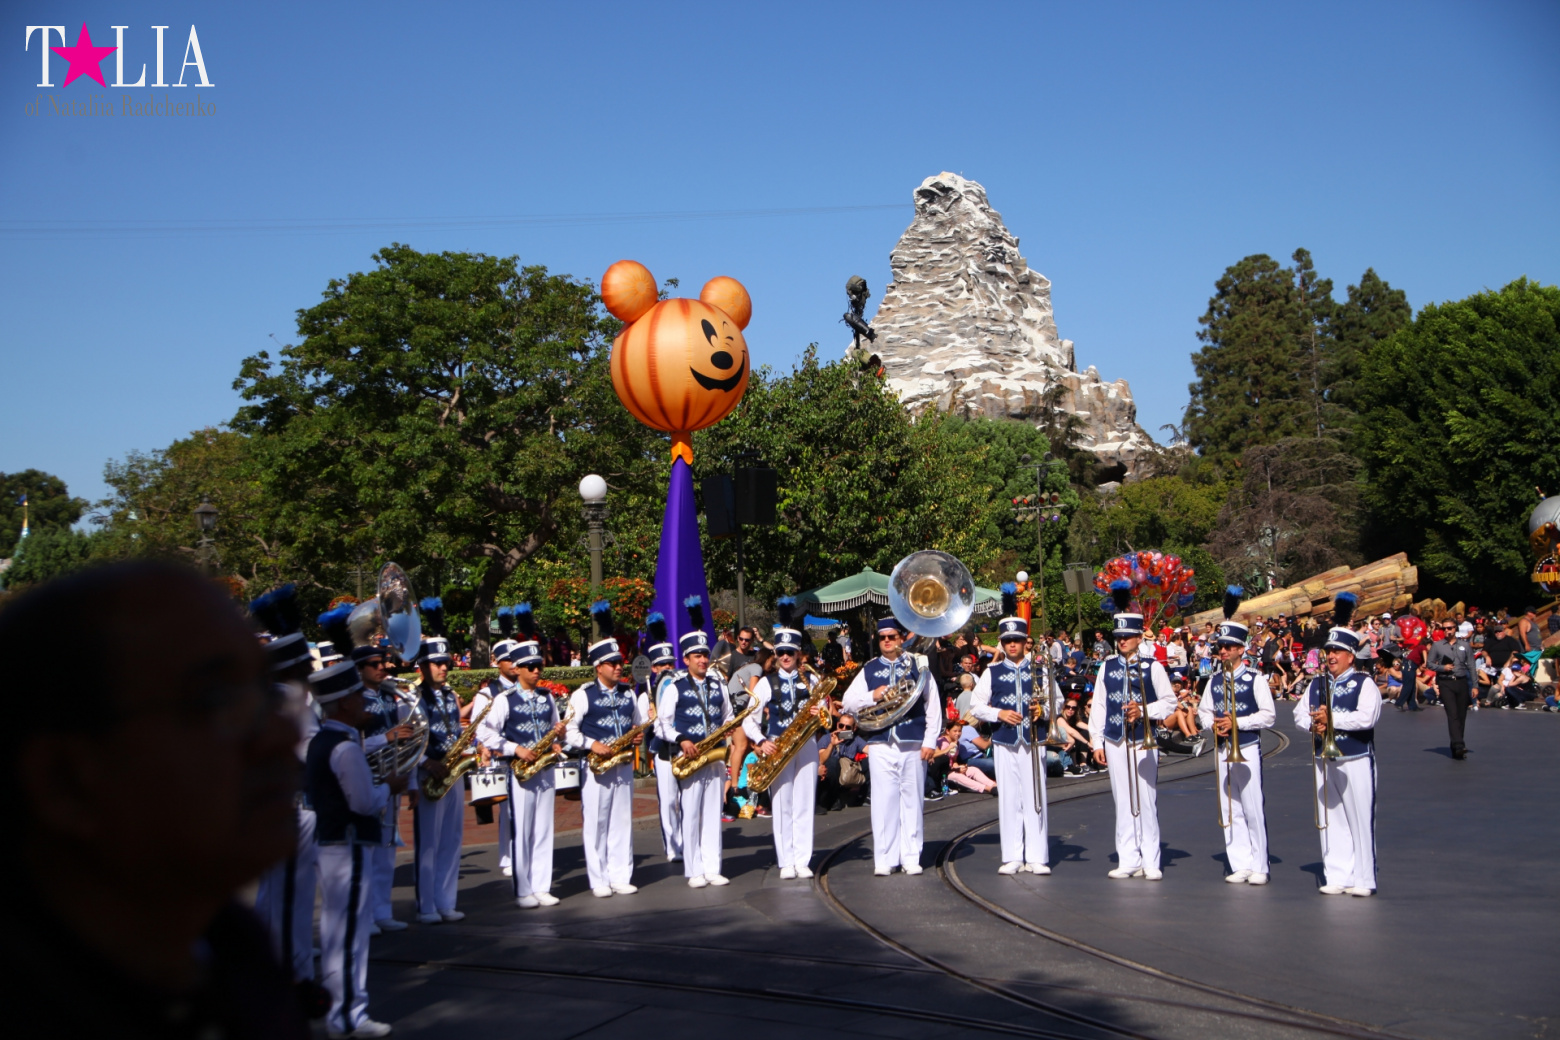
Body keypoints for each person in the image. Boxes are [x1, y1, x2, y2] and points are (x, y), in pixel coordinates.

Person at [4, 564, 309, 1038]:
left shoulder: (236, 954)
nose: (282, 734)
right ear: (66, 779)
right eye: (217, 699)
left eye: (265, 695)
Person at [309, 658, 406, 1038]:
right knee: (349, 935)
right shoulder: (345, 748)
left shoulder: (324, 740)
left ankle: (342, 1011)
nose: (364, 703)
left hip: (334, 846)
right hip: (348, 847)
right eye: (356, 696)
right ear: (345, 704)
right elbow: (364, 803)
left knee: (338, 932)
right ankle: (348, 1015)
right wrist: (391, 786)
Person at [250, 585, 331, 1017]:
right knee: (287, 895)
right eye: (303, 661)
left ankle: (290, 964)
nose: (309, 666)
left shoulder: (295, 698)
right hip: (291, 806)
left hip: (300, 804)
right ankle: (288, 973)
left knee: (291, 895)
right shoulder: (284, 701)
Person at [1295, 593, 1381, 897]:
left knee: (1359, 818)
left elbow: (1366, 719)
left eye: (1337, 651)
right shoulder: (1316, 684)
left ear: (1350, 656)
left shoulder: (1363, 683)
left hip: (1355, 758)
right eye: (1328, 651)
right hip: (1325, 758)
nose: (1330, 656)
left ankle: (1364, 878)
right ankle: (1337, 874)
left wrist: (1331, 719)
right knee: (1332, 819)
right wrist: (1313, 723)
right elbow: (1297, 715)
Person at [842, 616, 942, 876]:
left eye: (892, 637)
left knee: (912, 802)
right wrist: (872, 696)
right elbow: (847, 702)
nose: (888, 641)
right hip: (880, 742)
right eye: (883, 637)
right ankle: (884, 858)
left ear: (901, 638)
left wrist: (930, 740)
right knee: (883, 803)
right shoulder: (869, 669)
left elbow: (933, 705)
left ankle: (911, 857)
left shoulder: (918, 666)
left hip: (912, 743)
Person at [1089, 593, 1175, 880]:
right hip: (1114, 739)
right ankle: (1128, 857)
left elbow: (1170, 702)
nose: (1122, 640)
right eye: (1119, 636)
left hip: (1142, 739)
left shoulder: (1154, 666)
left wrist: (1145, 710)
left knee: (1146, 799)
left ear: (1140, 637)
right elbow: (1099, 706)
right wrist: (1096, 741)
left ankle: (1151, 859)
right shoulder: (1108, 666)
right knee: (1122, 800)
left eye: (1128, 635)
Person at [479, 634, 567, 908]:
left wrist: (557, 739)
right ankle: (523, 888)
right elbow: (484, 731)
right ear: (516, 669)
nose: (537, 670)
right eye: (530, 666)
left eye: (539, 665)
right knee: (523, 830)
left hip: (544, 770)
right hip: (520, 771)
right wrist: (514, 749)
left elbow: (555, 727)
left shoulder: (547, 696)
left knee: (543, 829)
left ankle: (542, 886)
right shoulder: (504, 699)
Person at [566, 601, 646, 898]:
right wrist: (592, 744)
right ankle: (599, 879)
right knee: (597, 823)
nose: (619, 666)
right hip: (596, 768)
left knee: (622, 820)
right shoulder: (582, 694)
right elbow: (570, 732)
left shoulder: (629, 694)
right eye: (612, 663)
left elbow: (637, 724)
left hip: (623, 765)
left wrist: (636, 738)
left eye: (620, 661)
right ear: (598, 666)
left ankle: (620, 874)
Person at [1197, 588, 1274, 885]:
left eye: (1229, 647)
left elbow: (1268, 715)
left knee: (1253, 806)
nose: (1223, 651)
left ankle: (1260, 864)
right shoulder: (1214, 680)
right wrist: (1212, 724)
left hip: (1248, 748)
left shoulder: (1255, 678)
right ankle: (1238, 862)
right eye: (1220, 647)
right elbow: (1203, 712)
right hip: (1222, 749)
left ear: (1241, 649)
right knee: (1230, 807)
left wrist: (1237, 722)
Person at [970, 597, 1050, 876]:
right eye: (1007, 641)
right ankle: (1013, 855)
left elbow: (1058, 701)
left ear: (1025, 641)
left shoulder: (1041, 668)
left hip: (1033, 738)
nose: (1012, 645)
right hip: (1004, 740)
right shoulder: (991, 671)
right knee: (1009, 799)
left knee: (1034, 796)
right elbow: (976, 705)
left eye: (1016, 640)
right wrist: (998, 714)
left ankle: (1037, 855)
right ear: (1002, 643)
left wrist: (1044, 708)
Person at [744, 609, 827, 880]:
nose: (786, 657)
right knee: (782, 804)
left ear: (799, 654)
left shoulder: (812, 680)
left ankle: (803, 859)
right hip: (779, 744)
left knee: (804, 802)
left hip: (807, 746)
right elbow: (749, 719)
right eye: (781, 653)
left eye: (790, 652)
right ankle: (786, 860)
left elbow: (827, 715)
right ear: (775, 655)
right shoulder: (766, 683)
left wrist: (820, 713)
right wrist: (761, 741)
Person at [657, 597, 734, 888]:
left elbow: (727, 715)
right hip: (689, 756)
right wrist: (682, 739)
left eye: (705, 654)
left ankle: (712, 866)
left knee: (713, 811)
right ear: (686, 659)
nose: (702, 659)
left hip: (714, 755)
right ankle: (694, 869)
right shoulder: (675, 686)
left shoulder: (718, 684)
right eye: (696, 656)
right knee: (691, 812)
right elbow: (662, 723)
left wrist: (727, 730)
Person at [410, 615, 469, 924]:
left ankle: (447, 900)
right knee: (429, 842)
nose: (444, 667)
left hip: (453, 771)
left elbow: (454, 731)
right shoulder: (414, 697)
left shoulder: (449, 695)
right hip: (429, 773)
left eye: (446, 662)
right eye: (437, 663)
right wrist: (424, 763)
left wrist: (467, 750)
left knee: (452, 838)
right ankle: (427, 905)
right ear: (422, 666)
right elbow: (409, 739)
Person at [638, 612, 683, 862]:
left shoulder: (680, 686)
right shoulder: (647, 693)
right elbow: (644, 730)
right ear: (653, 668)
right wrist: (651, 719)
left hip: (683, 749)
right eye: (663, 665)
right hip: (663, 752)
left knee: (685, 800)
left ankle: (685, 841)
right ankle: (672, 845)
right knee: (667, 801)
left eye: (670, 664)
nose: (668, 668)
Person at [1427, 619, 1476, 759]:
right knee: (1452, 714)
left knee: (1461, 715)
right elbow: (1429, 664)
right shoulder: (1437, 646)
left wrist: (1475, 685)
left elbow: (1472, 666)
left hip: (1461, 682)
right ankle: (1459, 744)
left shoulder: (1465, 645)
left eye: (1450, 628)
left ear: (1456, 628)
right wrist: (1443, 668)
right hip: (1446, 682)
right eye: (1445, 628)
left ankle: (1455, 746)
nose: (1447, 631)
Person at [817, 712, 867, 811]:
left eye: (847, 727)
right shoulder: (826, 738)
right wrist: (832, 745)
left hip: (848, 775)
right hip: (830, 777)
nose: (843, 729)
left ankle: (866, 795)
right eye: (841, 725)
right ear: (837, 725)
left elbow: (871, 750)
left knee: (870, 761)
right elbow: (821, 759)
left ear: (854, 729)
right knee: (832, 762)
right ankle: (831, 799)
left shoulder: (856, 739)